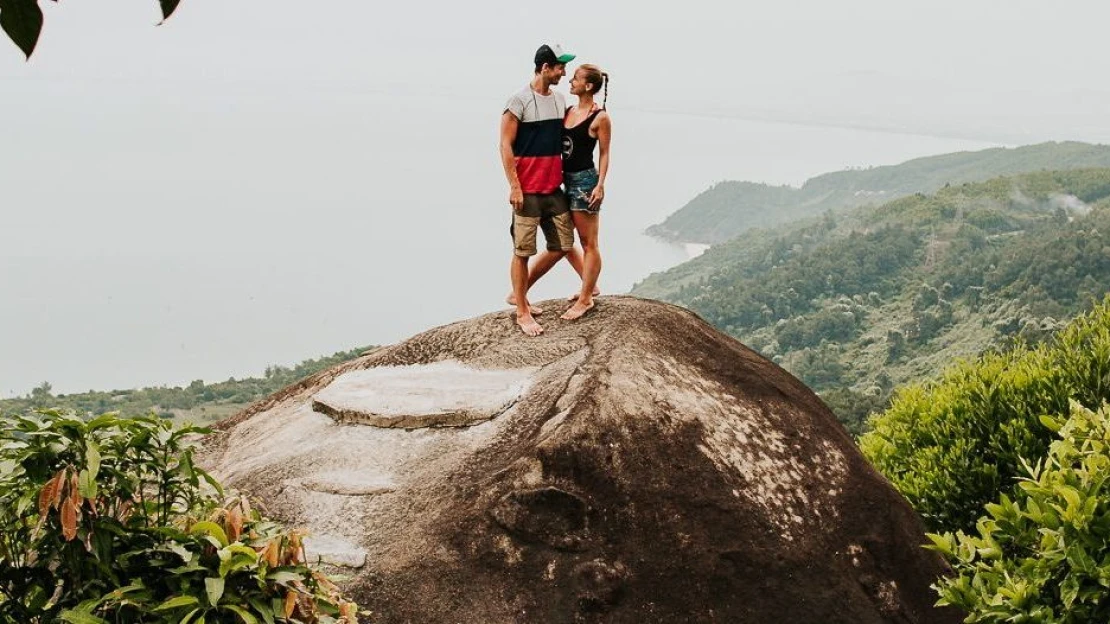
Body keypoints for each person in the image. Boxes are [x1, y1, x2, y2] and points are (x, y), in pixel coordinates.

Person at [506, 64, 611, 321]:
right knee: (565, 242)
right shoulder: (568, 110)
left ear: (588, 86)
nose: (569, 80)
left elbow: (605, 153)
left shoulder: (600, 117)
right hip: (562, 181)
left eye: (575, 78)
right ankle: (588, 285)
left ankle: (586, 298)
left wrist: (600, 185)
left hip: (585, 183)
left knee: (588, 243)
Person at [500, 44, 578, 337]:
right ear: (545, 67)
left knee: (562, 245)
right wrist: (514, 186)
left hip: (553, 188)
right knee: (522, 251)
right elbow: (505, 145)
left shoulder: (559, 101)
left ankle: (518, 293)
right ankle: (521, 309)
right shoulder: (518, 101)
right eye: (560, 67)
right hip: (527, 190)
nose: (563, 72)